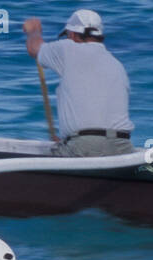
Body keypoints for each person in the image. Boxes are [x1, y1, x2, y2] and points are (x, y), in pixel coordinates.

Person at [21, 9, 133, 156]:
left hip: (85, 146)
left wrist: (34, 31)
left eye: (67, 35)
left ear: (72, 35)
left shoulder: (67, 48)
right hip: (123, 147)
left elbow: (33, 48)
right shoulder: (117, 65)